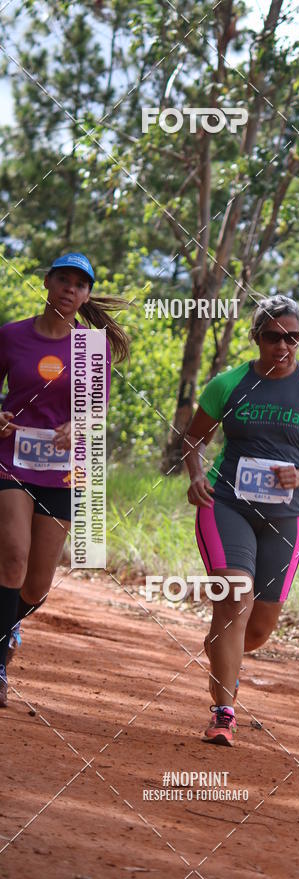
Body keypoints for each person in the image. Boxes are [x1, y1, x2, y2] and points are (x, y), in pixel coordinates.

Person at [184, 295, 299, 746]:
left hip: (286, 515)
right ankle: (223, 713)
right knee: (235, 597)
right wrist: (196, 475)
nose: (283, 345)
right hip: (226, 504)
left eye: (293, 337)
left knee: (256, 629)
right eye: (273, 336)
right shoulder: (228, 384)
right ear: (256, 337)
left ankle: (222, 650)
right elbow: (193, 439)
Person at [0, 253, 130, 707]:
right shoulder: (11, 335)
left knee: (36, 586)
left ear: (87, 295)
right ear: (47, 283)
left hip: (63, 472)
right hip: (10, 461)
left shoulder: (93, 347)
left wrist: (79, 426)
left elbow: (96, 411)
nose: (70, 289)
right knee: (12, 558)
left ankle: (9, 622)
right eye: (63, 280)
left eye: (80, 284)